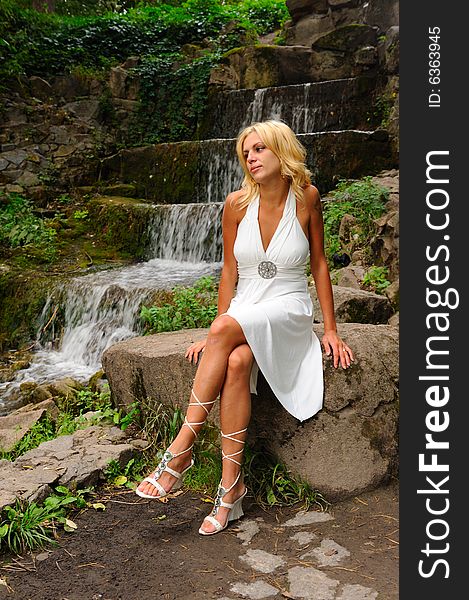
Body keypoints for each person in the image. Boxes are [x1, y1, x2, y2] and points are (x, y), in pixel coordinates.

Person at [136, 120, 354, 535]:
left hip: (288, 307)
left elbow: (320, 264)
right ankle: (231, 488)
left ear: (281, 151)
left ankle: (181, 449)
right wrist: (219, 329)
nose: (250, 158)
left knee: (228, 336)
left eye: (258, 149)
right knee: (235, 362)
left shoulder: (307, 198)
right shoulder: (235, 203)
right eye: (246, 152)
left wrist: (330, 329)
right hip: (246, 305)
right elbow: (230, 271)